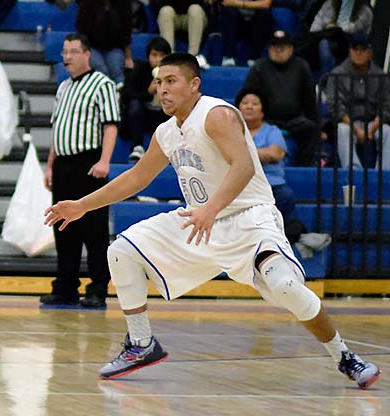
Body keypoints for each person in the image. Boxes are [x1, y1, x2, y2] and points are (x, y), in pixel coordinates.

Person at [45, 52, 382, 390]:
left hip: (249, 220)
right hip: (202, 223)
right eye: (159, 82)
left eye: (171, 81)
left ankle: (344, 356)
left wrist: (211, 209)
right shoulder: (166, 132)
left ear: (194, 85)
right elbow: (137, 178)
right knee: (120, 251)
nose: (162, 89)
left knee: (285, 287)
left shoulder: (215, 114)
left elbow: (244, 166)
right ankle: (141, 343)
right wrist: (82, 206)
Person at [41, 33, 119, 308]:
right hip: (63, 164)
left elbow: (110, 125)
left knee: (94, 230)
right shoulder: (63, 88)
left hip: (90, 165)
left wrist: (105, 160)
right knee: (63, 227)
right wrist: (50, 166)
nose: (67, 57)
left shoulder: (102, 84)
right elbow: (56, 129)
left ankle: (98, 288)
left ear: (87, 54)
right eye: (65, 52)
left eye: (73, 51)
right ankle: (65, 286)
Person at [242, 30, 320, 166]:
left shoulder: (301, 67)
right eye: (274, 47)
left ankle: (302, 166)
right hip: (266, 119)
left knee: (311, 128)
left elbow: (310, 100)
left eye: (282, 47)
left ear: (291, 49)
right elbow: (248, 94)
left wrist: (316, 122)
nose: (278, 50)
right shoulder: (259, 67)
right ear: (269, 49)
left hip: (294, 119)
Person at [325, 33, 390, 170]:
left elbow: (386, 106)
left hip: (373, 123)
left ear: (370, 52)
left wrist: (371, 130)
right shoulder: (337, 74)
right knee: (342, 130)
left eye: (363, 49)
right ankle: (354, 172)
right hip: (349, 122)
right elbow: (335, 106)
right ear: (350, 51)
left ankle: (384, 174)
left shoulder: (380, 75)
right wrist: (358, 130)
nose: (359, 53)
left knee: (388, 131)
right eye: (355, 49)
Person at [236, 88, 294, 223]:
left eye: (255, 104)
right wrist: (262, 153)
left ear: (263, 111)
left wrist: (240, 154)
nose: (249, 106)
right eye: (245, 103)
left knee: (286, 195)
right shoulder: (230, 131)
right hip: (239, 184)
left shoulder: (272, 131)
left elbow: (275, 153)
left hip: (271, 184)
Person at [122, 36, 172, 161]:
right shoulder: (140, 69)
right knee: (134, 105)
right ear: (148, 55)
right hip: (143, 116)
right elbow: (127, 95)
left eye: (162, 56)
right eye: (154, 55)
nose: (158, 59)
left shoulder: (173, 74)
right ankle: (137, 146)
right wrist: (148, 92)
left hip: (164, 116)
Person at [75, 0, 133, 86]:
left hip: (115, 47)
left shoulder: (124, 4)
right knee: (101, 70)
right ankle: (106, 96)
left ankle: (121, 96)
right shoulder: (87, 3)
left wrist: (128, 57)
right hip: (91, 48)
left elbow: (127, 33)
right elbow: (81, 32)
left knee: (116, 70)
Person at [208, 0, 274, 67]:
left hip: (255, 24)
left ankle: (255, 58)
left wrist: (240, 4)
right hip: (236, 23)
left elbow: (266, 4)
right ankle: (229, 57)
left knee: (264, 13)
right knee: (228, 10)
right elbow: (226, 2)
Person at [156, 0, 208, 69]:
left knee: (195, 9)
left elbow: (201, 3)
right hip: (173, 16)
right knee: (165, 11)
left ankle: (192, 56)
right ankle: (169, 56)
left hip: (193, 17)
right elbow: (160, 4)